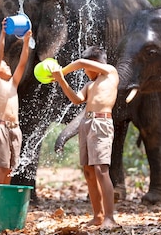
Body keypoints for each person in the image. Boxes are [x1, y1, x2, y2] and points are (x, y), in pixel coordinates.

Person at [51, 46, 120, 229]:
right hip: (86, 124)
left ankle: (110, 218)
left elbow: (81, 62)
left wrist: (61, 70)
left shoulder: (110, 73)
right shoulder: (90, 85)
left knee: (101, 169)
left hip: (102, 124)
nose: (85, 72)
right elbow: (76, 99)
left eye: (87, 69)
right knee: (89, 171)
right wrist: (61, 80)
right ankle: (98, 215)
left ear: (95, 64)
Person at [0, 19, 32, 184]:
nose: (7, 66)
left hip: (15, 129)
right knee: (2, 166)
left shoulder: (12, 83)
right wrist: (3, 33)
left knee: (11, 168)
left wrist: (26, 42)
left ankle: (3, 203)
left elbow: (22, 64)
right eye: (4, 65)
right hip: (1, 127)